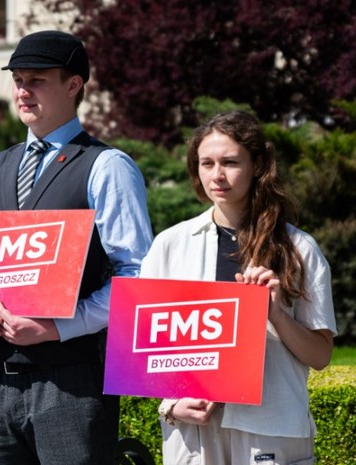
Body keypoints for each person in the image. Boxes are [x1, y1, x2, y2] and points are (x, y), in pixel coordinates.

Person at [0, 30, 153, 465]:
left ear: (73, 84)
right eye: (18, 80)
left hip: (70, 383)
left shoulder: (107, 166)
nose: (22, 91)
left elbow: (137, 276)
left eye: (37, 80)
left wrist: (59, 327)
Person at [141, 110, 337, 465]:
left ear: (257, 165)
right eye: (207, 163)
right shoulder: (169, 245)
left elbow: (321, 356)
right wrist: (171, 405)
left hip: (270, 426)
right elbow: (145, 350)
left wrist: (275, 314)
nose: (217, 175)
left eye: (230, 162)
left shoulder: (299, 249)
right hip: (194, 432)